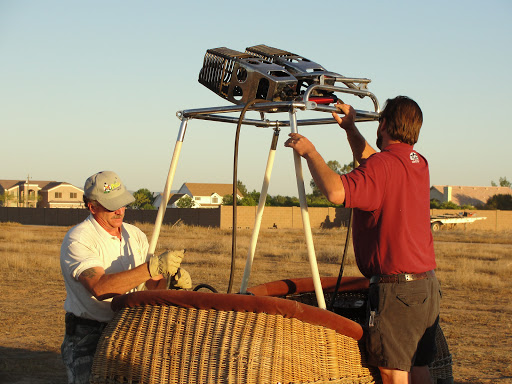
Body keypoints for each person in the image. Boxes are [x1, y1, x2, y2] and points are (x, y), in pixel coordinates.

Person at [285, 96, 440, 384]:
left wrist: (310, 153)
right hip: (426, 287)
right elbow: (375, 161)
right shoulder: (417, 162)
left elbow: (335, 192)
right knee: (419, 370)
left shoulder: (382, 166)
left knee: (393, 374)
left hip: (398, 293)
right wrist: (350, 129)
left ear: (383, 124)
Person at [60, 170, 191, 384]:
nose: (120, 210)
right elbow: (100, 288)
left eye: (122, 202)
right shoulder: (78, 239)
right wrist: (152, 267)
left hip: (128, 326)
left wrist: (170, 283)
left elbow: (153, 285)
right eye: (112, 205)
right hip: (89, 334)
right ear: (92, 207)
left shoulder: (135, 235)